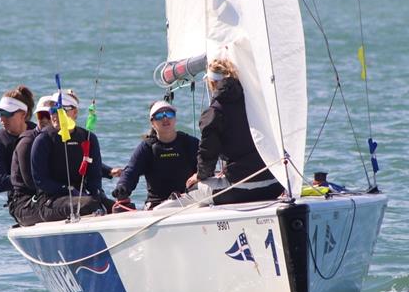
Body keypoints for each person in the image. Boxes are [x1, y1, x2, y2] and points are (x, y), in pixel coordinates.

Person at [159, 58, 283, 208]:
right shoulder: (253, 101)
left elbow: (208, 152)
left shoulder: (214, 112)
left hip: (243, 189)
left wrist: (200, 176)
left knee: (194, 188)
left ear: (212, 83)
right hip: (275, 184)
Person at [30, 89, 107, 222]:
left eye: (61, 109)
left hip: (82, 198)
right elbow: (40, 180)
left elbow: (94, 176)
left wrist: (98, 195)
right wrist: (68, 190)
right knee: (90, 204)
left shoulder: (88, 138)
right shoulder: (43, 140)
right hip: (50, 201)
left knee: (118, 206)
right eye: (53, 110)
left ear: (75, 112)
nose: (55, 114)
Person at [112, 101, 199, 209]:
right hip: (157, 204)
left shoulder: (190, 143)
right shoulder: (147, 147)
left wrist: (200, 174)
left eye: (169, 114)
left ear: (175, 118)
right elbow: (131, 171)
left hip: (189, 199)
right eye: (159, 116)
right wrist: (122, 186)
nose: (165, 118)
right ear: (152, 123)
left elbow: (207, 163)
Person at [9, 95, 54, 226]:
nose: (44, 120)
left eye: (48, 115)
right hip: (26, 203)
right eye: (40, 116)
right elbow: (31, 182)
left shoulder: (58, 139)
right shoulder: (27, 142)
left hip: (49, 197)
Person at [0, 85, 36, 205]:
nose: (2, 119)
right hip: (20, 200)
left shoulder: (39, 134)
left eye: (7, 114)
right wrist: (31, 177)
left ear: (23, 114)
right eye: (0, 113)